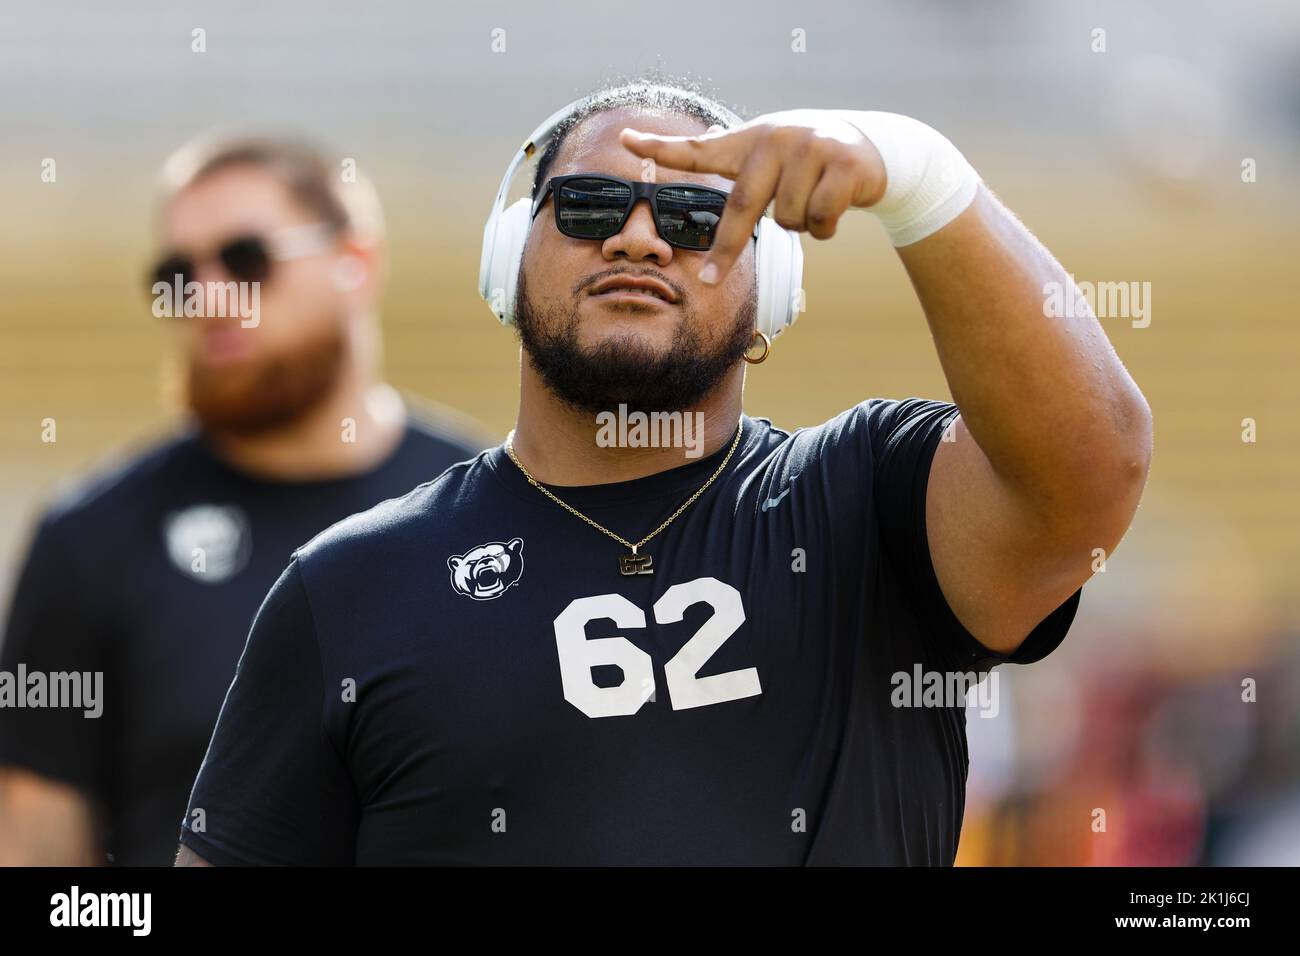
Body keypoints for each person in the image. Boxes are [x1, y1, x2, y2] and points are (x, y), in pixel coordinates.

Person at [176, 82, 1151, 866]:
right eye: (590, 204)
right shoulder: (350, 585)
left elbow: (1091, 471)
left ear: (769, 289)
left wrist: (920, 175)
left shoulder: (869, 500)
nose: (637, 235)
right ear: (507, 264)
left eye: (693, 216)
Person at [0, 135, 485, 866]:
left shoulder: (488, 513)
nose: (209, 296)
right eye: (178, 273)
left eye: (246, 259)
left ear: (356, 263)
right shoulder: (90, 542)